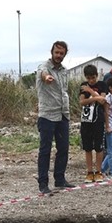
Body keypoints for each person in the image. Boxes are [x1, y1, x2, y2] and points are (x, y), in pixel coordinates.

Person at [36, 40, 75, 195]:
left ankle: (60, 179)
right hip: (47, 115)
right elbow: (42, 73)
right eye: (56, 52)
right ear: (51, 52)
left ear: (65, 54)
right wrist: (46, 78)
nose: (58, 55)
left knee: (63, 148)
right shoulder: (44, 67)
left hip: (62, 114)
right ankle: (43, 184)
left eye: (61, 53)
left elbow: (64, 91)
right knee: (45, 150)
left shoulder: (64, 71)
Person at [79, 64, 108, 182]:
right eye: (88, 78)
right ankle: (90, 171)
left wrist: (91, 92)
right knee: (87, 147)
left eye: (93, 78)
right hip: (86, 121)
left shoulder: (102, 85)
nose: (91, 80)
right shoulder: (82, 86)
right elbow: (82, 102)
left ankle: (99, 171)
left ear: (97, 76)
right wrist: (95, 98)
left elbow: (102, 100)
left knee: (99, 147)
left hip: (98, 120)